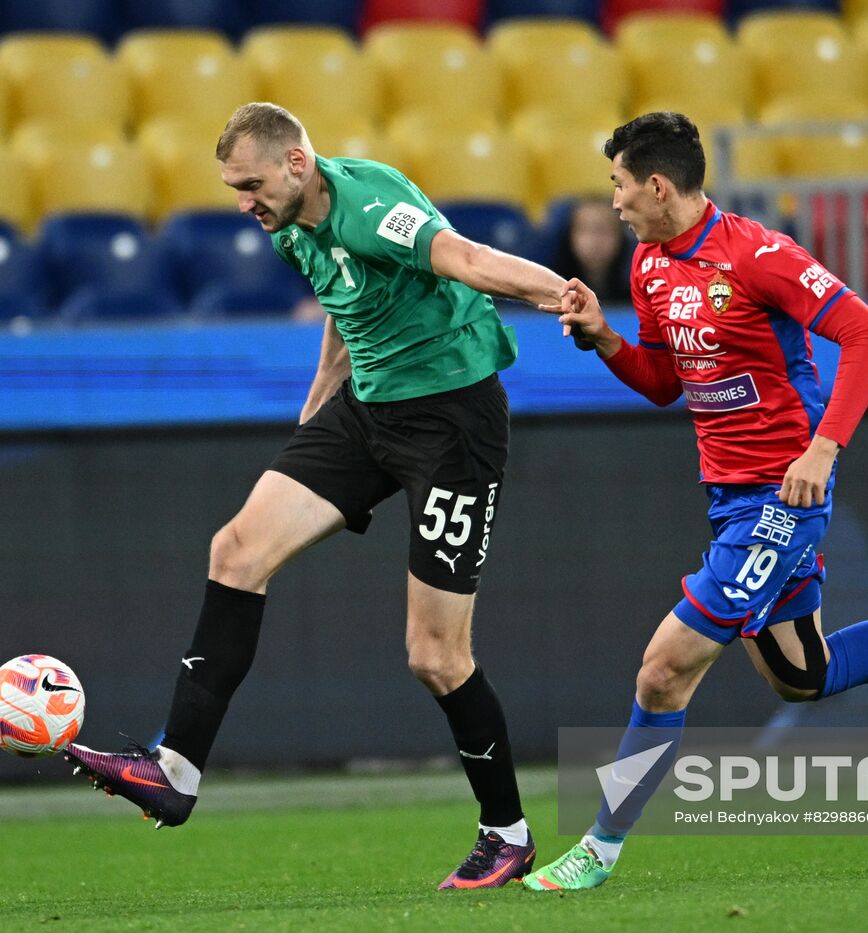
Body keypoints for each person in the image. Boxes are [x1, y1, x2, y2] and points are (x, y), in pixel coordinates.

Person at [525, 112, 868, 892]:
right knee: (802, 674)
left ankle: (600, 846)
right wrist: (605, 338)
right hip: (729, 497)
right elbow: (664, 383)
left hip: (784, 495)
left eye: (618, 184)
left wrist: (822, 450)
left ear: (657, 185)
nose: (613, 201)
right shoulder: (649, 267)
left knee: (662, 673)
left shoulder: (760, 255)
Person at [63, 102, 578, 891]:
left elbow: (465, 258)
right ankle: (174, 771)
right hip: (366, 411)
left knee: (435, 657)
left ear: (297, 163)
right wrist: (311, 429)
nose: (242, 202)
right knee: (235, 549)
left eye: (250, 183)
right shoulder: (289, 222)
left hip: (451, 423)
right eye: (234, 187)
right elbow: (346, 310)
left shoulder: (370, 207)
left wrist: (561, 292)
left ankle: (506, 833)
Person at [552, 198, 632, 305]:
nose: (595, 240)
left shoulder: (641, 287)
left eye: (604, 230)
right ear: (570, 236)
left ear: (621, 238)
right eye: (585, 229)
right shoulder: (552, 286)